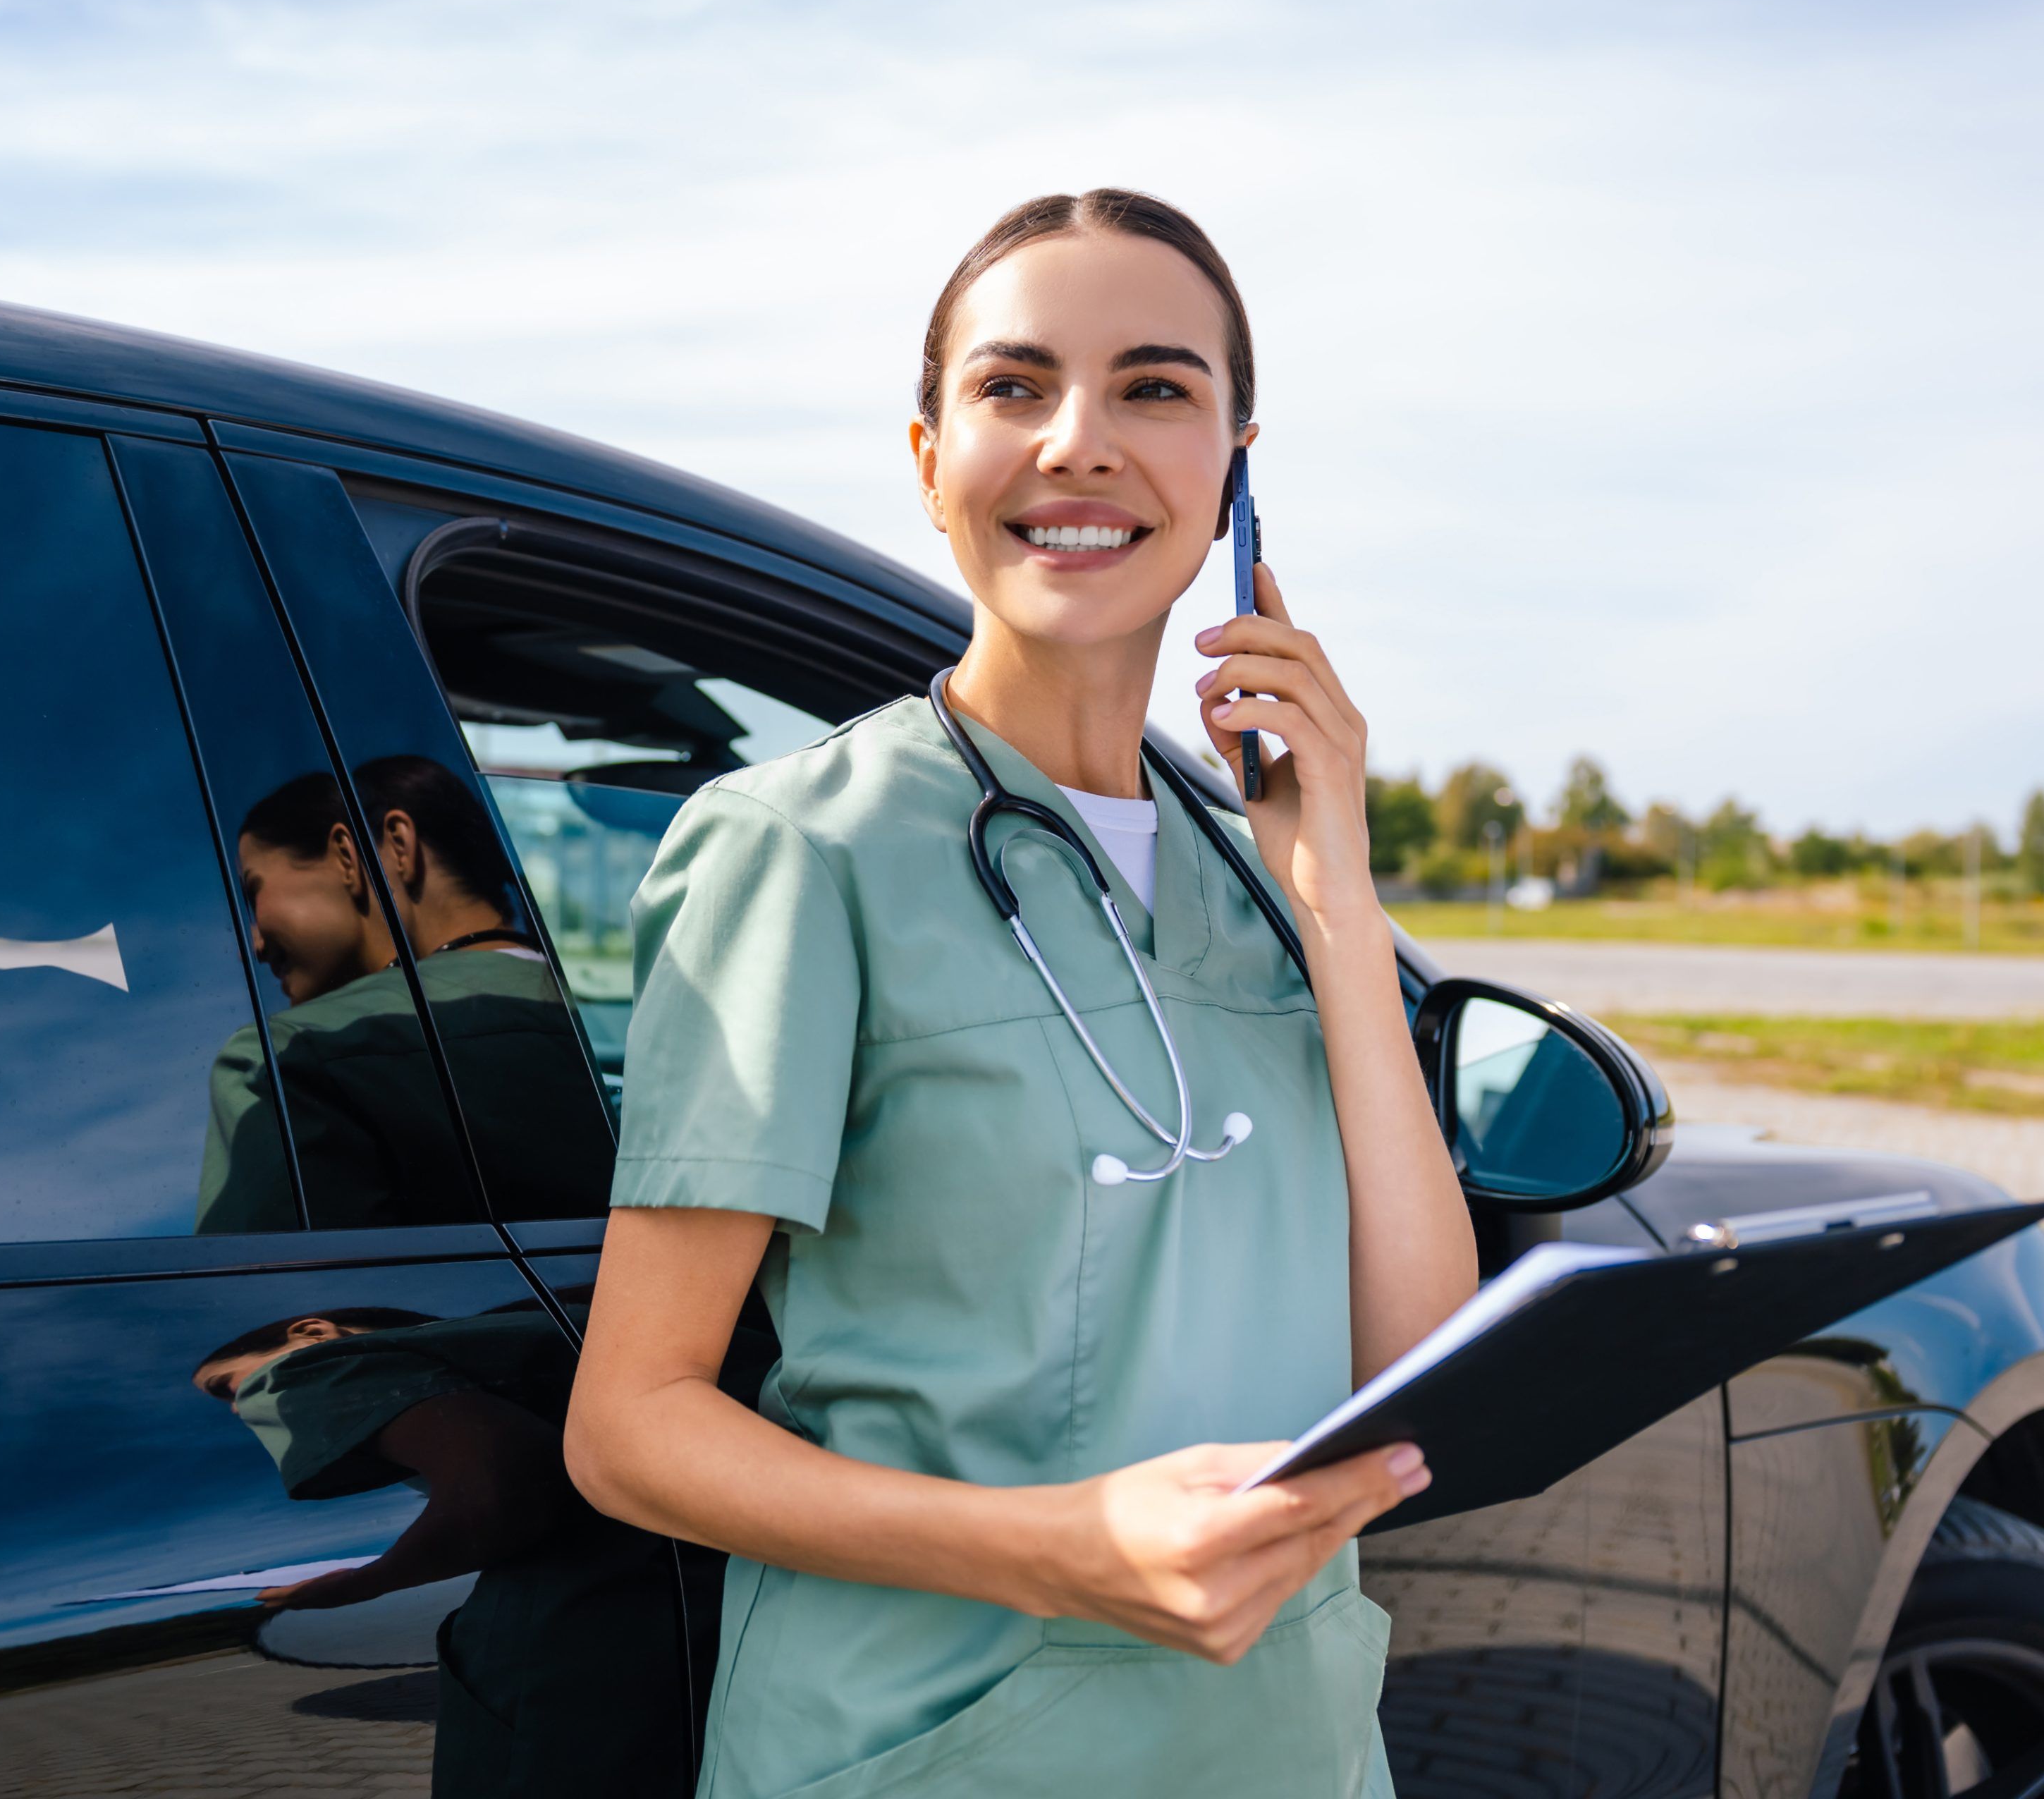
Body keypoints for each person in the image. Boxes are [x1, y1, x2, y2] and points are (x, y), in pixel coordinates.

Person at [563, 189, 1481, 1797]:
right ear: (927, 461)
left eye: (1152, 386)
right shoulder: (802, 850)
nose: (1076, 440)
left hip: (1282, 1749)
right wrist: (1054, 1548)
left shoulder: (1263, 866)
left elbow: (1405, 1353)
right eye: (1010, 386)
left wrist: (1336, 897)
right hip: (933, 1750)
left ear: (1233, 470)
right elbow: (628, 1424)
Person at [191, 1307, 699, 1798]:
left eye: (224, 1386)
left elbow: (506, 1485)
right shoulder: (555, 1325)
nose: (237, 1406)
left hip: (604, 1635)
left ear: (312, 1332)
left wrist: (364, 1582)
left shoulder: (310, 1366)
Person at [196, 755, 602, 1233]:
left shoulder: (291, 1058)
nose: (256, 945)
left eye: (254, 892)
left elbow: (269, 1296)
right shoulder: (621, 1028)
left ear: (365, 852)